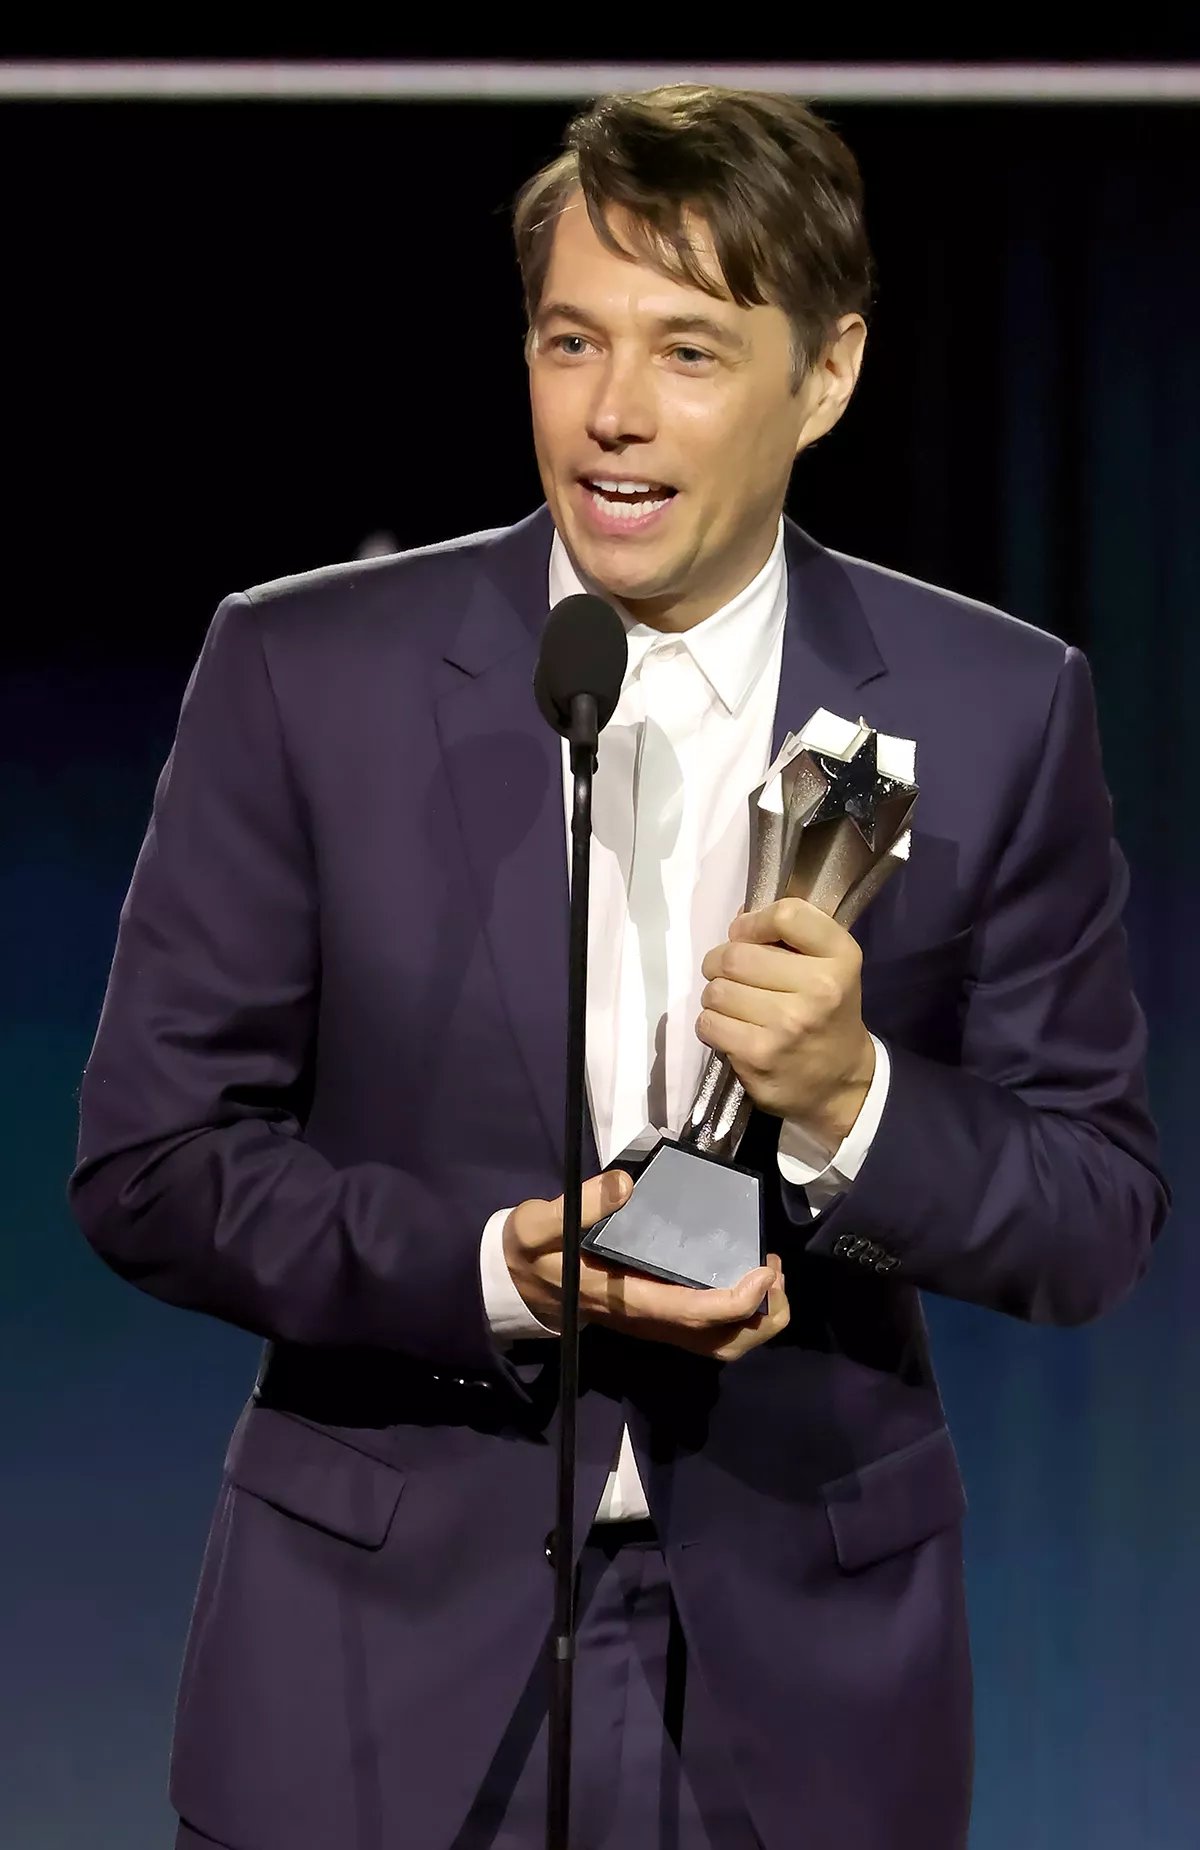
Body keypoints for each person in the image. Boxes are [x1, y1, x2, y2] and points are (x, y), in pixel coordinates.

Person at [69, 85, 1167, 1850]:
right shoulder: (305, 676)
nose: (612, 415)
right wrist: (496, 1266)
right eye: (571, 340)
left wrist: (853, 1103)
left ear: (828, 375)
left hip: (805, 1694)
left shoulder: (996, 707)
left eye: (689, 349)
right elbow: (151, 1164)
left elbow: (1093, 1207)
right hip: (374, 1667)